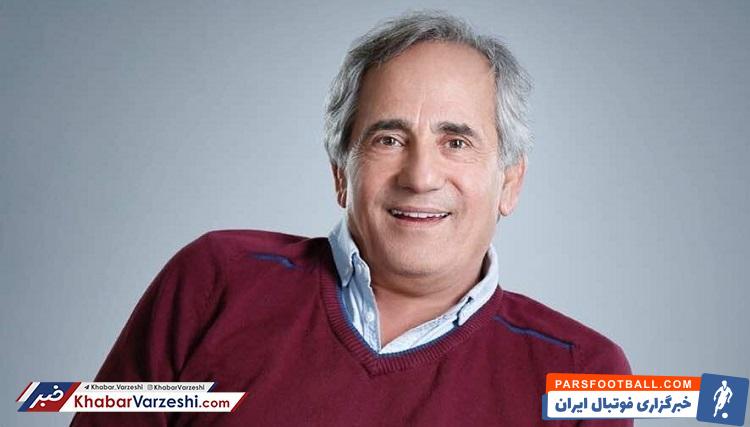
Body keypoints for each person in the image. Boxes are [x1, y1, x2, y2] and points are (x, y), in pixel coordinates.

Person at [72, 10, 631, 426]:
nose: (420, 176)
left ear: (510, 182)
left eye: (456, 142)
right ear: (341, 171)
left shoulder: (583, 375)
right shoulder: (214, 280)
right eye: (389, 139)